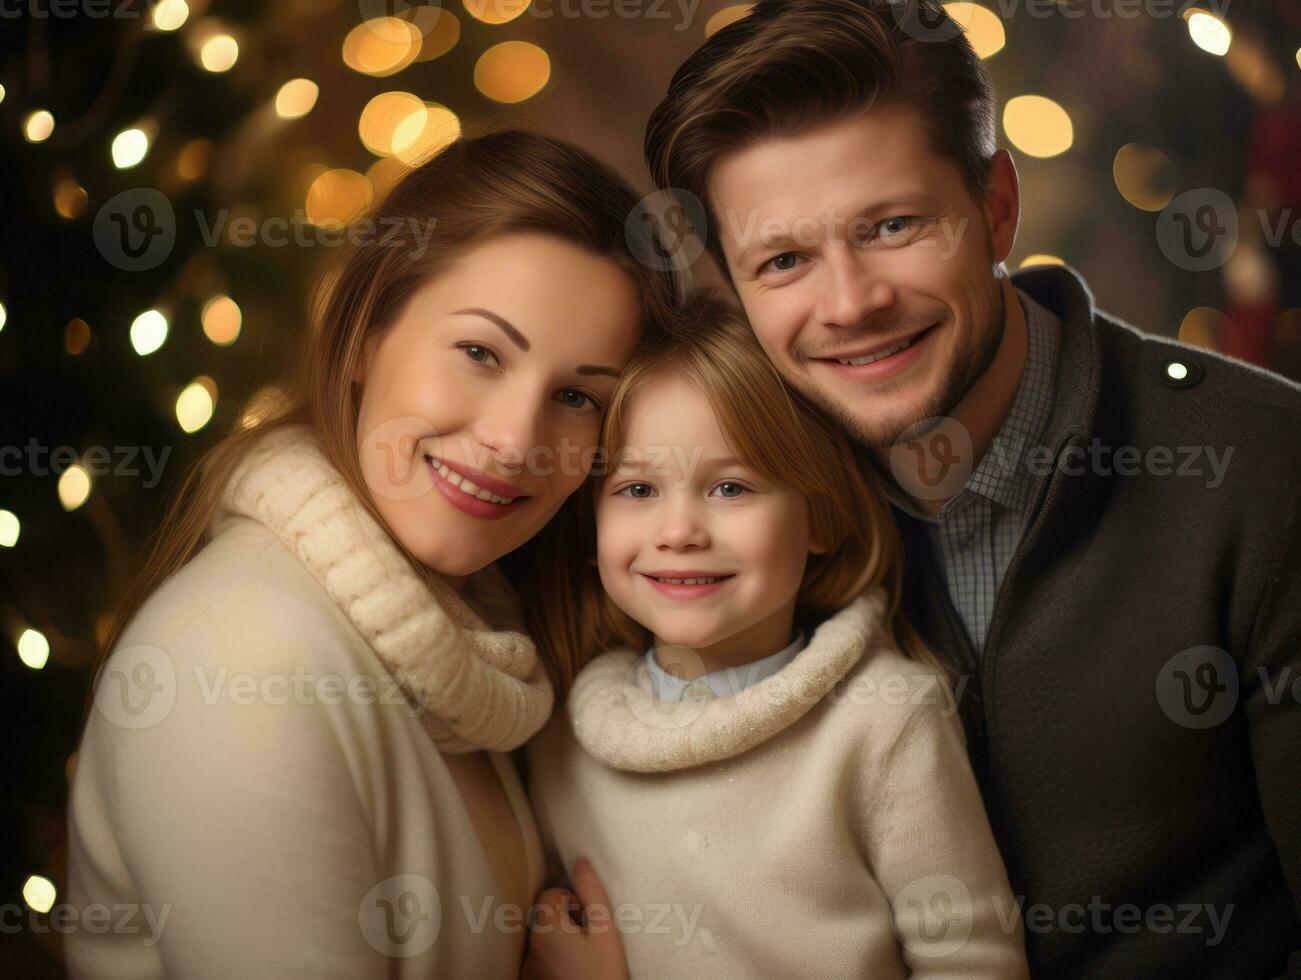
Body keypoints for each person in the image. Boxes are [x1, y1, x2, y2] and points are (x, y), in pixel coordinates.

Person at [639, 1, 1301, 977]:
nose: (849, 302)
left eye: (892, 224)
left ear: (995, 203)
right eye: (781, 260)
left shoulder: (1258, 465)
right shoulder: (713, 524)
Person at [65, 128, 679, 979]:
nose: (512, 441)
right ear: (362, 333)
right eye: (478, 353)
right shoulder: (245, 659)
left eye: (576, 396)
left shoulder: (478, 652)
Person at [526, 292, 1030, 979]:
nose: (678, 532)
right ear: (591, 527)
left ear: (819, 517)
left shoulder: (884, 721)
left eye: (731, 488)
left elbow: (975, 965)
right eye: (637, 490)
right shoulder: (562, 739)